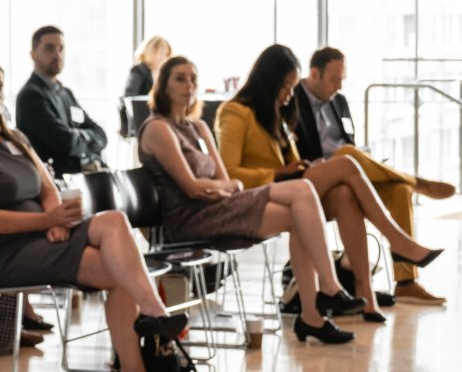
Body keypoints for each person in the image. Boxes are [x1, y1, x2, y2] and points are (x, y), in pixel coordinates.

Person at [0, 57, 190, 372]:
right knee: (120, 271)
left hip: (44, 238)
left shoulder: (14, 138)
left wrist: (55, 220)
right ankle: (136, 369)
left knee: (114, 223)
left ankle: (149, 328)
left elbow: (47, 188)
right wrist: (46, 221)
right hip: (4, 255)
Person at [139, 55, 357, 342]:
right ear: (163, 86)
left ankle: (312, 316)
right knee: (301, 191)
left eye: (193, 79)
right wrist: (225, 186)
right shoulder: (157, 128)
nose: (188, 85)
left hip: (218, 206)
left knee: (301, 210)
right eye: (180, 78)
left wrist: (225, 186)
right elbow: (192, 188)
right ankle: (328, 289)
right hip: (189, 218)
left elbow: (225, 179)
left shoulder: (198, 127)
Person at [216, 45, 442, 312]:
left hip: (293, 185)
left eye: (292, 87)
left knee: (345, 194)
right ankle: (398, 239)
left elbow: (293, 162)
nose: (290, 94)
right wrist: (278, 173)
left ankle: (365, 293)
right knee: (346, 160)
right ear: (268, 81)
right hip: (263, 192)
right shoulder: (236, 112)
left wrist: (301, 166)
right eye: (286, 86)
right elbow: (229, 173)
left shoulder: (278, 113)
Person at [289, 46, 455, 307]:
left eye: (342, 79)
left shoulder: (339, 102)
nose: (339, 86)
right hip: (317, 180)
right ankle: (414, 181)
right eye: (334, 79)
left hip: (350, 175)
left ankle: (406, 283)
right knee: (346, 154)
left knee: (399, 190)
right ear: (314, 74)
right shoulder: (292, 99)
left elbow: (350, 142)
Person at [14, 26, 108, 175]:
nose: (57, 55)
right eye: (49, 49)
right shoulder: (30, 96)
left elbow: (101, 135)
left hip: (80, 174)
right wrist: (86, 139)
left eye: (61, 49)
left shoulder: (65, 93)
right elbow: (65, 143)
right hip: (55, 178)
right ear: (33, 54)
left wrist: (79, 136)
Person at [125, 35, 172, 99]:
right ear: (151, 52)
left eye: (166, 54)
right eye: (161, 53)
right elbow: (129, 97)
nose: (163, 57)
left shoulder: (166, 73)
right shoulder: (139, 71)